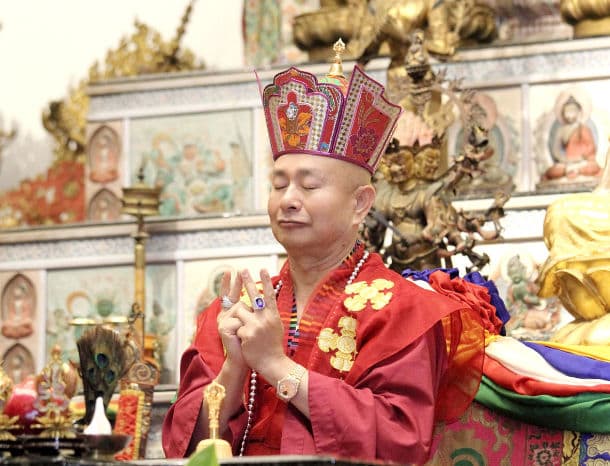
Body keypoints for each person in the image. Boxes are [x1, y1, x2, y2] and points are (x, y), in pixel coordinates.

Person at [162, 59, 484, 464]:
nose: (288, 199)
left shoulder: (403, 311)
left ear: (360, 203)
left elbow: (399, 441)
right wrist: (235, 367)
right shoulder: (236, 311)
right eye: (279, 184)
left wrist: (275, 365)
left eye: (309, 185)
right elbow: (183, 445)